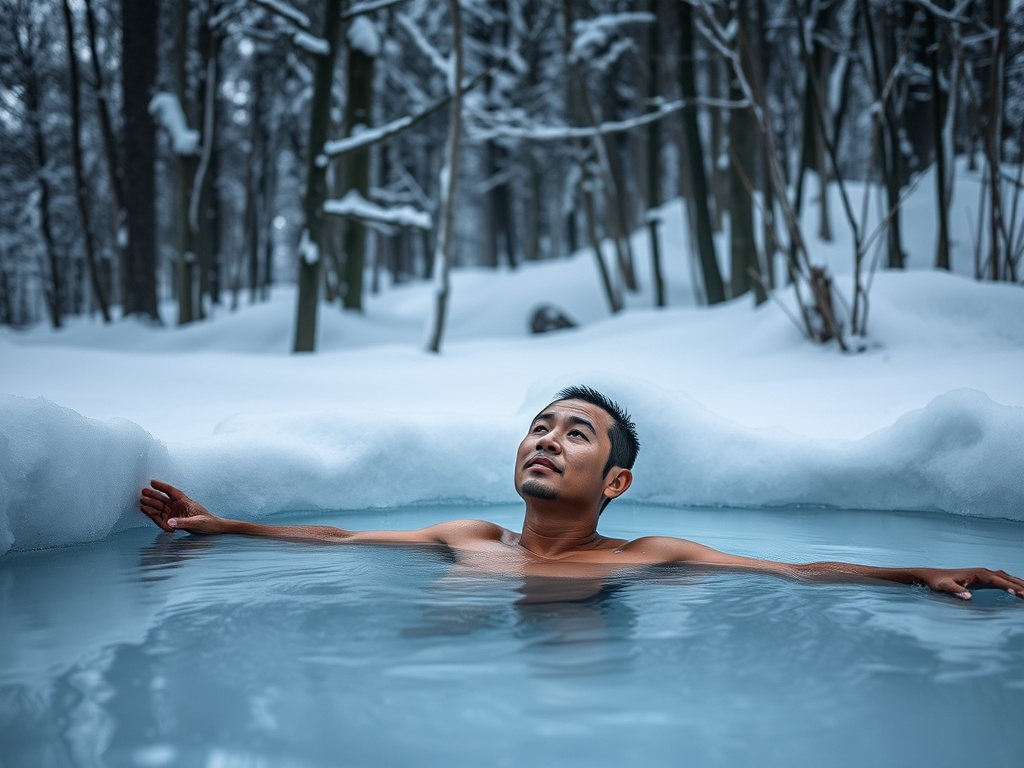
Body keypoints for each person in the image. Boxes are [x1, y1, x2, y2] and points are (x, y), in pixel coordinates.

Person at [140, 385, 1024, 601]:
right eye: (539, 424)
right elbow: (336, 541)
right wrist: (221, 524)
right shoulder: (472, 536)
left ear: (616, 481)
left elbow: (795, 573)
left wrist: (916, 572)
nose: (545, 439)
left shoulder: (646, 557)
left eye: (575, 433)